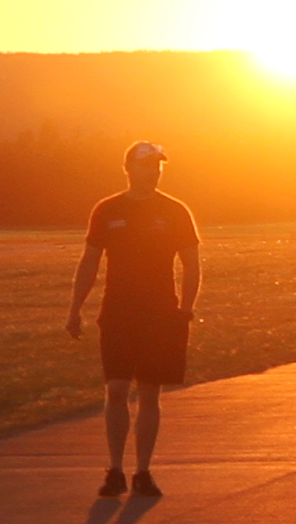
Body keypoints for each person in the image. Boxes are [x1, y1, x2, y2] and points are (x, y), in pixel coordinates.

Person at [64, 138, 198, 499]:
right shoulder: (108, 210)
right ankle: (115, 469)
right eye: (146, 166)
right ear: (129, 169)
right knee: (116, 389)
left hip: (160, 312)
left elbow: (191, 262)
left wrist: (186, 308)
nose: (153, 173)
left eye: (157, 167)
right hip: (118, 310)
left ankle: (142, 471)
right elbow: (90, 261)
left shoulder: (175, 211)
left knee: (150, 392)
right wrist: (75, 307)